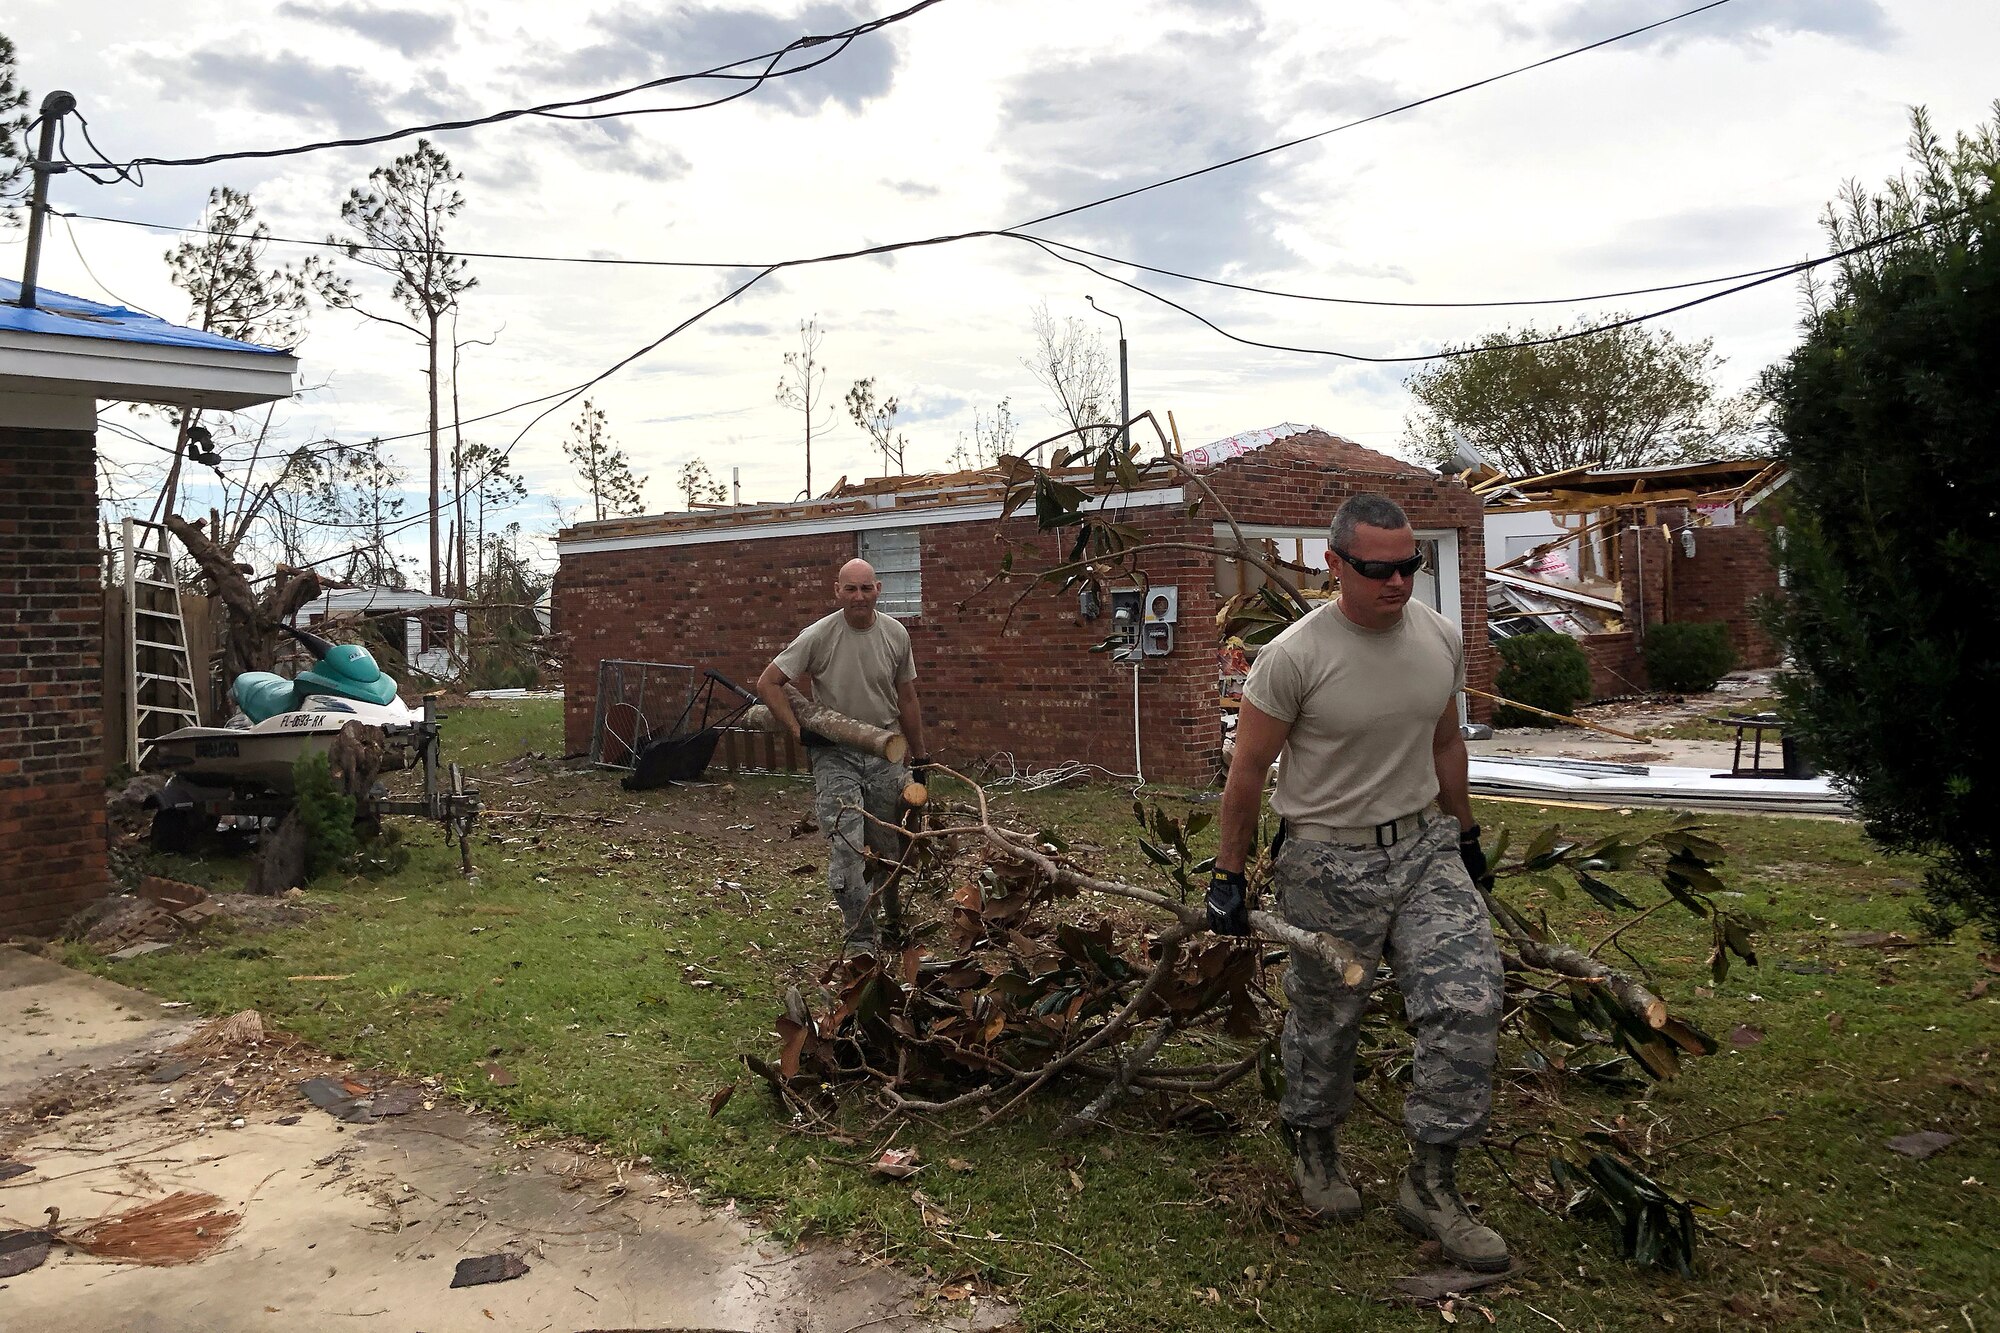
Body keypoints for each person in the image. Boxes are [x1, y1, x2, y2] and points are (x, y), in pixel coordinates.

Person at [1208, 493, 1508, 1273]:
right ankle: (1315, 1142)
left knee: (1469, 997)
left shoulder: (1440, 639)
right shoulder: (1294, 655)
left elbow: (1445, 743)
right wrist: (1227, 875)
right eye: (1379, 568)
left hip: (1423, 849)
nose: (1399, 582)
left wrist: (1466, 834)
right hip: (1325, 860)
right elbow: (1247, 771)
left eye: (1410, 565)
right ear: (1335, 564)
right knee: (1327, 1018)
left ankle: (1431, 1182)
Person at [757, 557, 928, 955]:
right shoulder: (818, 636)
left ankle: (893, 915)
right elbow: (768, 682)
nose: (859, 597)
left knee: (890, 844)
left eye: (866, 588)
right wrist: (800, 731)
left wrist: (920, 756)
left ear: (878, 591)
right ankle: (860, 938)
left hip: (887, 750)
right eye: (850, 589)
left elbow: (907, 697)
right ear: (837, 592)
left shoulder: (896, 634)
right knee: (848, 847)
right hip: (837, 756)